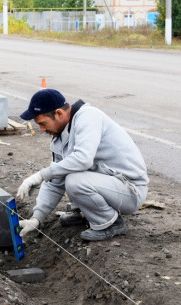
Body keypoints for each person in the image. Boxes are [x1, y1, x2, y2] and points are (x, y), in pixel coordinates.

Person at [16, 89, 148, 241]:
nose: (42, 129)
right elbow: (54, 181)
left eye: (43, 123)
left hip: (130, 190)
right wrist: (36, 218)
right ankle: (83, 212)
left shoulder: (88, 117)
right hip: (110, 185)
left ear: (59, 113)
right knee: (67, 173)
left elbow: (83, 159)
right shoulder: (60, 138)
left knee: (74, 180)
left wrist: (40, 175)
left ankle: (110, 224)